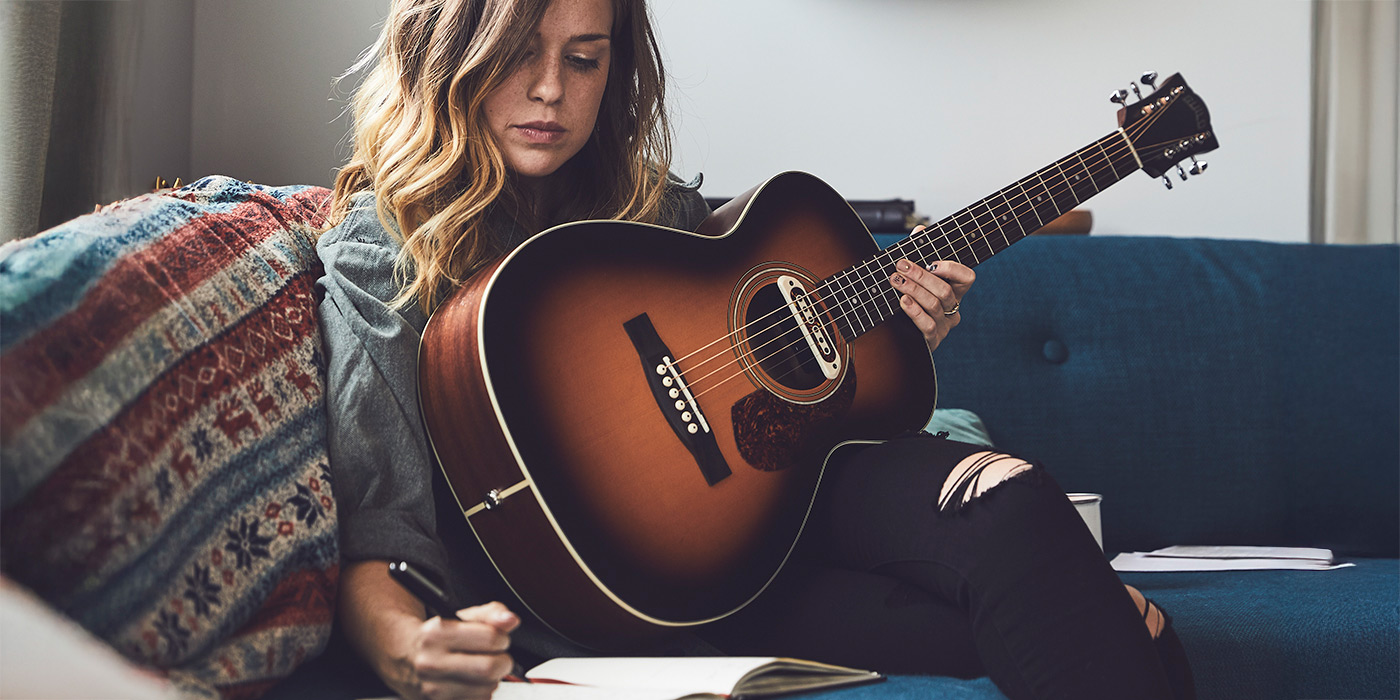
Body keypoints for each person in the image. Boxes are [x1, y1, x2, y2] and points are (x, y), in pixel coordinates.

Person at [313, 0, 1197, 698]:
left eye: (585, 58)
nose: (551, 88)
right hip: (640, 594)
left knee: (1015, 511)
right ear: (448, 50)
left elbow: (761, 350)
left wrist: (896, 330)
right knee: (1091, 620)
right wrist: (404, 653)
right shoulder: (383, 247)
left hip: (789, 506)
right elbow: (379, 524)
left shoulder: (649, 208)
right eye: (517, 53)